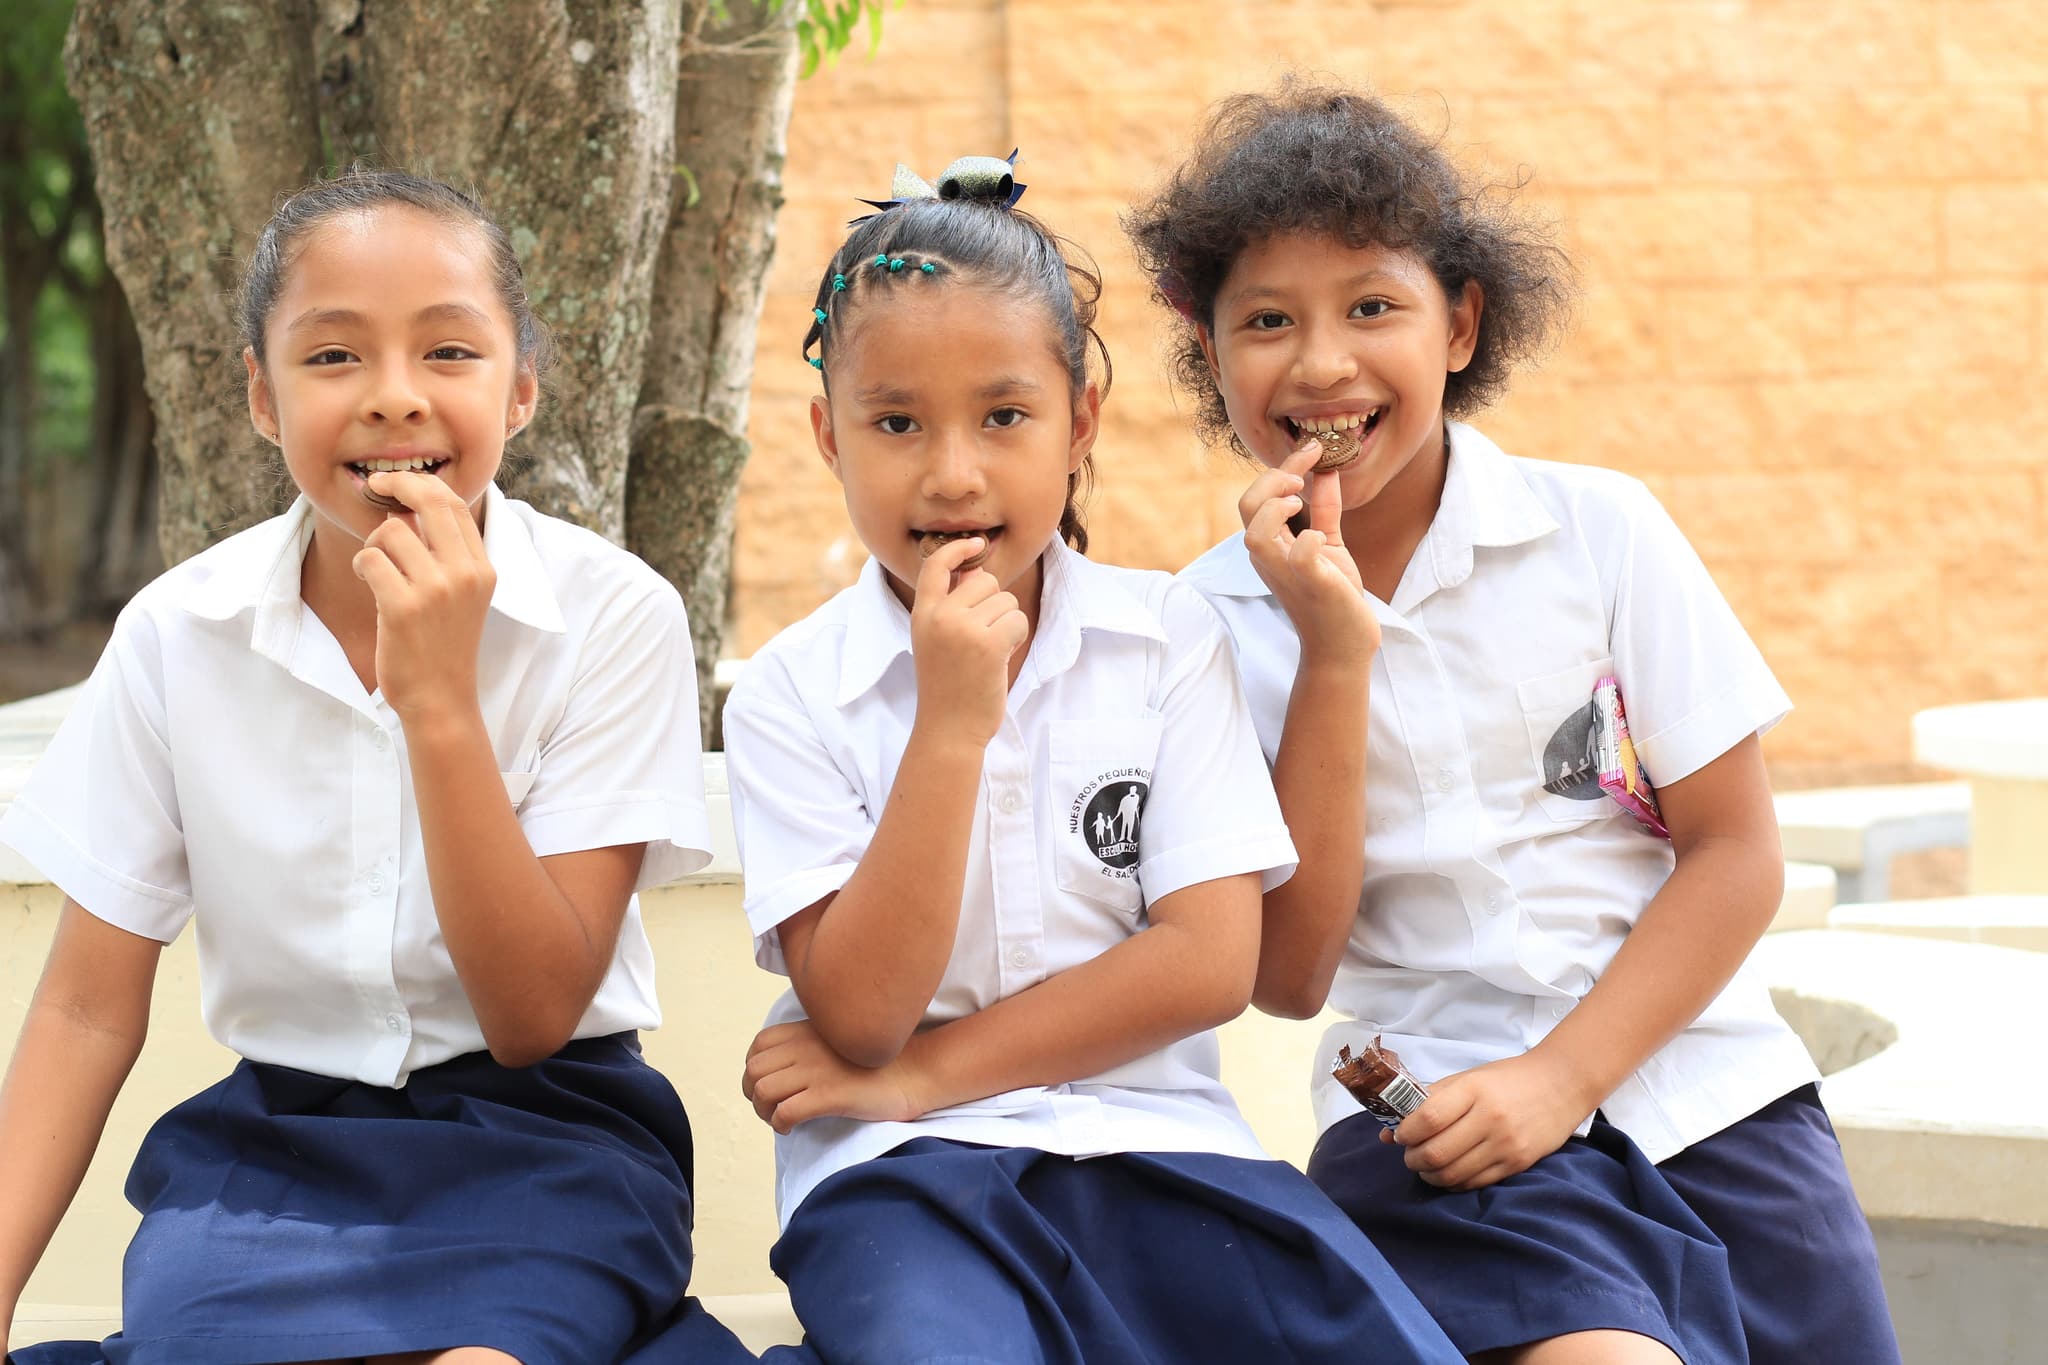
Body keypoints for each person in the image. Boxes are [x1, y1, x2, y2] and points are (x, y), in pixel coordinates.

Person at [1134, 83, 1901, 1365]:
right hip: (1436, 1131)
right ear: (1210, 354)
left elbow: (1734, 852)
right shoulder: (1198, 626)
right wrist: (1331, 652)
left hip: (1706, 1089)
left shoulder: (1600, 532)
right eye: (1266, 321)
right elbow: (1288, 975)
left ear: (1458, 323)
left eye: (1370, 306)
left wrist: (1566, 1079)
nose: (1320, 363)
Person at [0, 170, 753, 1365]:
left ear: (521, 390)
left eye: (449, 352)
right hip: (275, 1147)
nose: (393, 399)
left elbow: (532, 1015)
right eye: (333, 357)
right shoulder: (176, 633)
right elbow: (87, 1006)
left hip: (548, 1140)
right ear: (261, 394)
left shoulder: (613, 617)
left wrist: (439, 697)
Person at [724, 154, 1459, 1365]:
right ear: (826, 437)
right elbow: (857, 1015)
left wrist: (926, 1074)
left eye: (1004, 417)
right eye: (894, 422)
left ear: (1079, 424)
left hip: (1163, 1149)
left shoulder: (1166, 639)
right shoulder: (792, 694)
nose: (952, 472)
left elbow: (1210, 961)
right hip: (902, 1180)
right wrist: (950, 727)